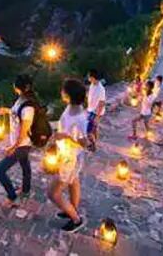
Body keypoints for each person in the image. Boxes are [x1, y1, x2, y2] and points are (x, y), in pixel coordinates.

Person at [47, 78, 89, 233]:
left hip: (70, 158)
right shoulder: (72, 107)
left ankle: (76, 219)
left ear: (69, 94)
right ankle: (72, 209)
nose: (61, 91)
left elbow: (84, 143)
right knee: (73, 182)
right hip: (68, 154)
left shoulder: (80, 118)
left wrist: (65, 136)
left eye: (63, 90)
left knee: (52, 193)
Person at [0, 74, 37, 206]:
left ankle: (12, 196)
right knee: (25, 166)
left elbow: (24, 130)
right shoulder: (21, 100)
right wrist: (7, 111)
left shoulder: (28, 106)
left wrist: (13, 147)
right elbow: (16, 113)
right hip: (20, 143)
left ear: (17, 87)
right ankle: (26, 191)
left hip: (22, 144)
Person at [86, 69, 106, 149]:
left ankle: (93, 144)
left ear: (93, 77)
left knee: (88, 130)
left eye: (89, 77)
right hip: (91, 110)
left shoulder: (101, 89)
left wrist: (97, 116)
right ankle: (95, 143)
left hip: (96, 112)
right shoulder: (92, 85)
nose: (88, 78)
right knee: (94, 128)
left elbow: (102, 103)